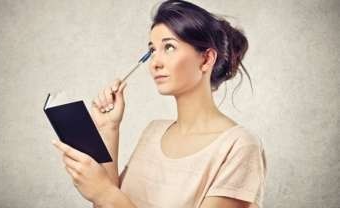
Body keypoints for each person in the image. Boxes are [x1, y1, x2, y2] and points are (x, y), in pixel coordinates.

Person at [52, 0, 267, 207]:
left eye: (169, 47)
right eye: (152, 50)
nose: (155, 62)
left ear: (206, 59)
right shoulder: (153, 132)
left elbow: (110, 198)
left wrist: (104, 193)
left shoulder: (239, 146)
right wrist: (110, 128)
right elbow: (108, 204)